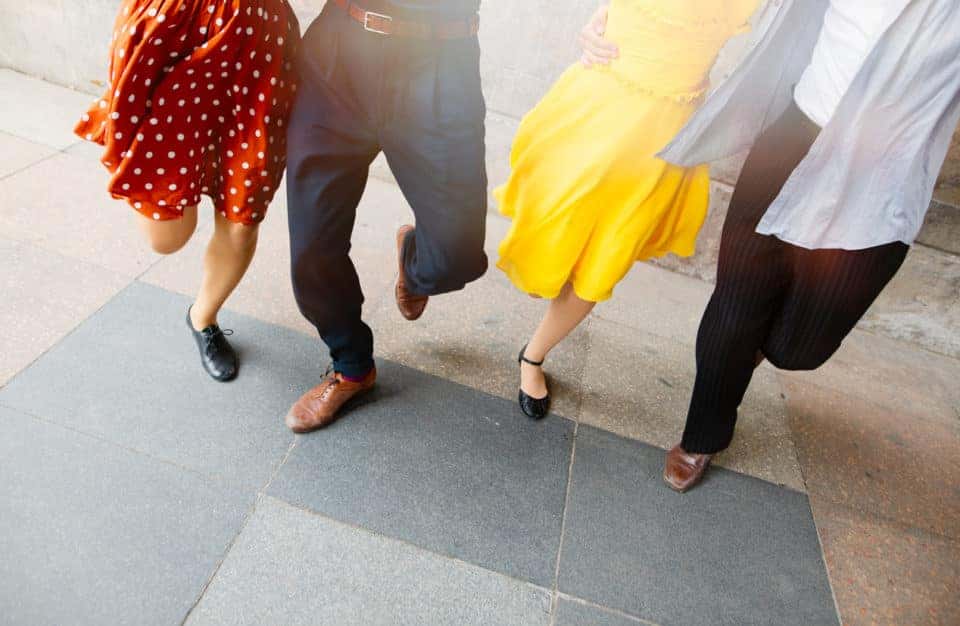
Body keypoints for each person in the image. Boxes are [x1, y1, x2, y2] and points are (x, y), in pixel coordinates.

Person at [644, 0, 960, 491]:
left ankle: (745, 352)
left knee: (798, 349)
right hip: (796, 134)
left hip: (881, 175)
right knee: (736, 305)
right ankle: (701, 436)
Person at [495, 0, 759, 419]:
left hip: (664, 137)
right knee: (547, 247)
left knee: (605, 261)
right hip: (600, 106)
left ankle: (534, 355)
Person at [283, 0, 489, 433]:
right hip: (341, 56)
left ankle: (417, 263)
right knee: (312, 249)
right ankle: (352, 367)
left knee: (456, 252)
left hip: (441, 61)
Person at [76, 0, 300, 381]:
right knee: (167, 238)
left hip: (257, 43)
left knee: (242, 216)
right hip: (175, 29)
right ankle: (150, 165)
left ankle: (203, 317)